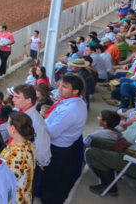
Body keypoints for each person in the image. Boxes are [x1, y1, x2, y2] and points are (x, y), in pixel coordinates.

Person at [40, 73, 87, 204]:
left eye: (64, 87)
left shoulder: (70, 110)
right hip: (64, 144)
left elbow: (50, 133)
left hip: (57, 149)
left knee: (52, 180)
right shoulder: (72, 101)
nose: (59, 89)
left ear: (75, 91)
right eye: (60, 85)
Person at [11, 84, 51, 170]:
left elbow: (42, 145)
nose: (13, 99)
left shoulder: (36, 122)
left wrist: (42, 162)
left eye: (17, 97)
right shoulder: (20, 112)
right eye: (13, 96)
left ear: (28, 100)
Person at [0, 112, 36, 204]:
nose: (6, 126)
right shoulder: (25, 142)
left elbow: (7, 182)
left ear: (13, 129)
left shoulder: (18, 153)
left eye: (7, 123)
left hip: (15, 198)